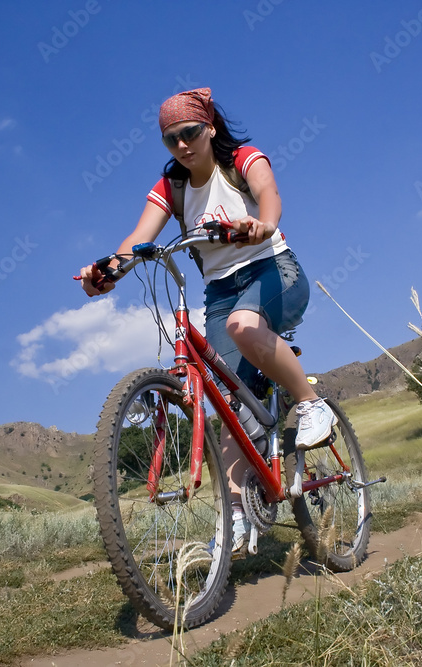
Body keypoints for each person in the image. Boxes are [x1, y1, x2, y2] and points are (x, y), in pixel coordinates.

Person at [79, 87, 335, 555]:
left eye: (190, 132)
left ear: (209, 127)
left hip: (274, 271)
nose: (181, 144)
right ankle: (237, 518)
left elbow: (268, 196)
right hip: (219, 291)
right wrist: (106, 272)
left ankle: (311, 404)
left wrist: (263, 223)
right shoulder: (171, 188)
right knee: (231, 409)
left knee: (243, 326)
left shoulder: (242, 159)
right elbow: (138, 238)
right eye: (170, 139)